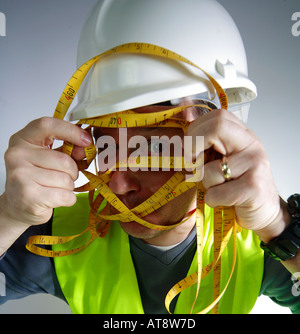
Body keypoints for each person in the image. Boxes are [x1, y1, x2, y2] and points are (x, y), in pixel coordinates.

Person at [0, 0, 300, 314]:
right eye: (106, 148)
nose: (116, 184)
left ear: (218, 141)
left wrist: (281, 226)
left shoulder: (262, 244)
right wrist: (7, 214)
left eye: (152, 149)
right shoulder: (58, 235)